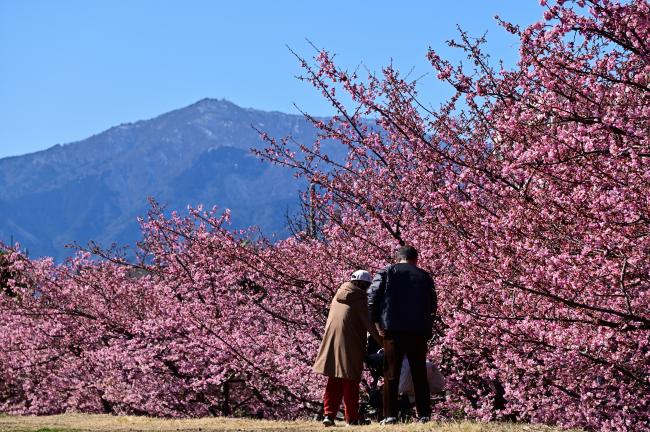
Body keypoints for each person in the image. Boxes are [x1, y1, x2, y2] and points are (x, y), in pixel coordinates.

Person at [367, 245, 437, 424]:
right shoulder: (424, 276)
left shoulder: (387, 271)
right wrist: (427, 327)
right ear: (416, 259)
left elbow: (372, 297)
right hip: (418, 330)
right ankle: (424, 415)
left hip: (393, 328)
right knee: (419, 372)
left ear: (397, 258)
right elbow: (432, 305)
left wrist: (376, 322)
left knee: (391, 372)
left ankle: (390, 415)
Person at [313, 270, 382, 427]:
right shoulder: (360, 297)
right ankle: (352, 418)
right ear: (364, 285)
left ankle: (328, 415)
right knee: (351, 380)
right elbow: (370, 324)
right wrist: (385, 343)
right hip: (351, 343)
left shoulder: (339, 294)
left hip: (332, 342)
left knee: (334, 379)